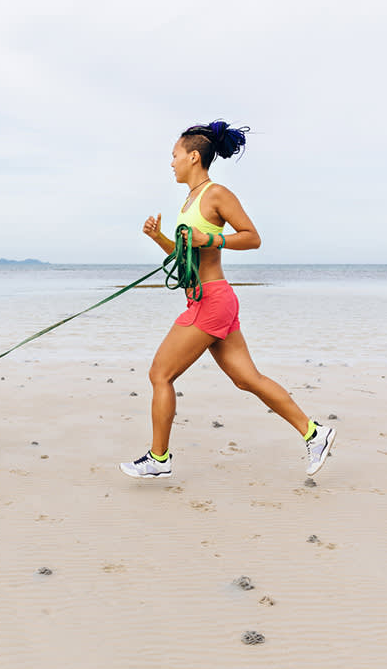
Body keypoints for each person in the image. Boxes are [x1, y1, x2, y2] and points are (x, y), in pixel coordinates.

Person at [119, 121, 335, 479]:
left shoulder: (216, 194)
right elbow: (186, 256)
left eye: (174, 156)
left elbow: (252, 238)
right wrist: (159, 238)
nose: (170, 163)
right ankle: (315, 433)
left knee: (160, 373)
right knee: (247, 379)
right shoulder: (189, 201)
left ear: (192, 157)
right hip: (207, 299)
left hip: (211, 301)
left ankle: (159, 459)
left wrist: (214, 241)